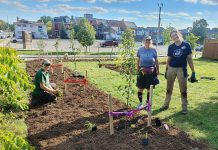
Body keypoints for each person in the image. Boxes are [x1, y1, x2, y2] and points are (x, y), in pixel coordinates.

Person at [160, 29, 197, 114]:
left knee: (183, 89)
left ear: (179, 34)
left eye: (175, 35)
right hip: (171, 69)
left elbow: (189, 59)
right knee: (169, 89)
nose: (174, 37)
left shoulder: (186, 45)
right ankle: (166, 105)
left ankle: (184, 108)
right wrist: (166, 70)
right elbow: (169, 59)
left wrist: (193, 72)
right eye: (172, 36)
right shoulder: (171, 47)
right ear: (171, 38)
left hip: (181, 69)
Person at [136, 36, 159, 108]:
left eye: (149, 40)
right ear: (143, 41)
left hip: (151, 71)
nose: (148, 42)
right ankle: (140, 103)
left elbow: (156, 60)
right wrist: (137, 68)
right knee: (140, 87)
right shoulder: (140, 50)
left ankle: (147, 104)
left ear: (151, 41)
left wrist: (158, 69)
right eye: (146, 40)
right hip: (142, 71)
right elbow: (138, 60)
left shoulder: (153, 50)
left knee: (149, 88)